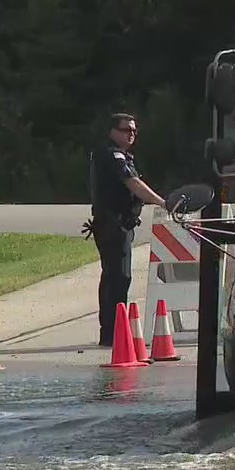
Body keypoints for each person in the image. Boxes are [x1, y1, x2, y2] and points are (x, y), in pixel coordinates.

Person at [84, 112, 168, 346]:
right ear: (113, 132)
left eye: (134, 131)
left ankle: (113, 331)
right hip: (112, 224)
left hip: (119, 224)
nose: (131, 134)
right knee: (118, 277)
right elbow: (132, 182)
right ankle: (113, 333)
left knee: (117, 277)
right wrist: (162, 202)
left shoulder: (119, 154)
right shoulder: (111, 155)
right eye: (126, 130)